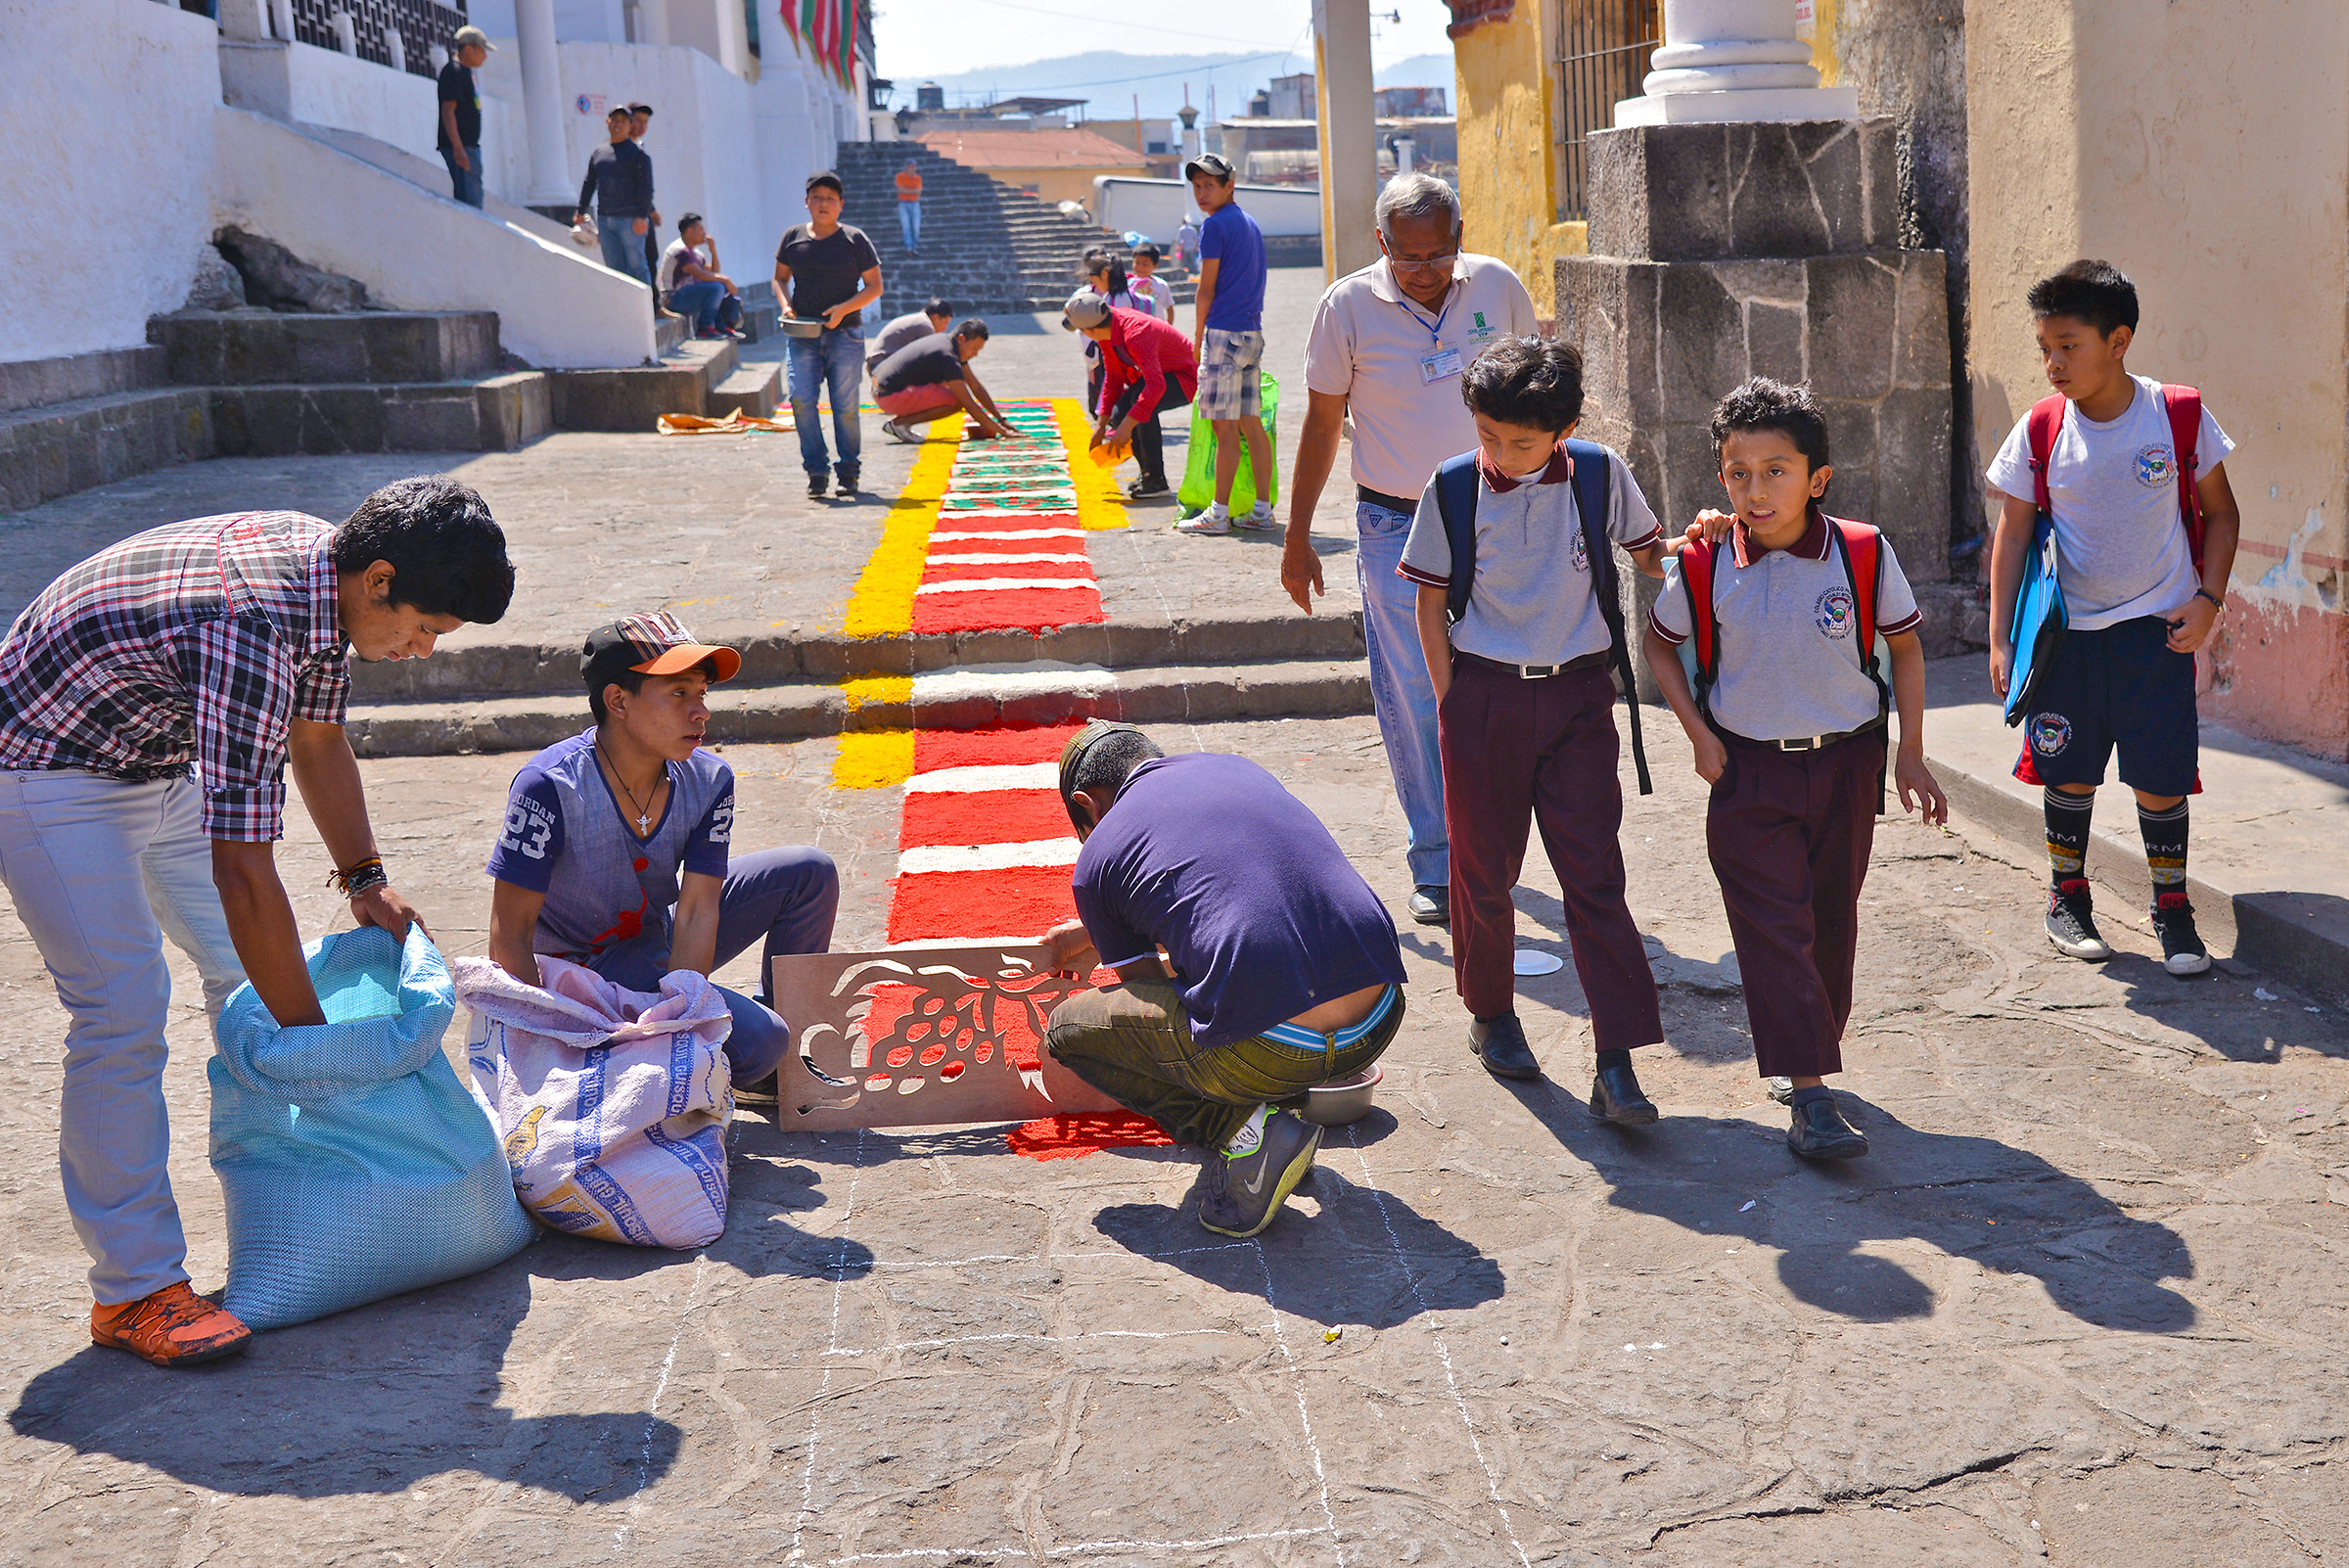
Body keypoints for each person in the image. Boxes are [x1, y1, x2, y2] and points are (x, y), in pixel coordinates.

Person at [0, 479, 516, 1367]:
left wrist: (366, 881)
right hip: (49, 766)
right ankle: (133, 1291)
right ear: (380, 579)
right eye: (425, 628)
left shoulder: (332, 574)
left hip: (154, 757)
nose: (423, 651)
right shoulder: (252, 624)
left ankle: (299, 1210)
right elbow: (243, 869)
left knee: (248, 984)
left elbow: (315, 739)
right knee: (121, 1013)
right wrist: (322, 1057)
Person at [1643, 379, 1949, 1160]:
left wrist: (1907, 751)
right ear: (1721, 479)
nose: (1756, 489)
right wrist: (1697, 737)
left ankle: (1804, 1050)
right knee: (1774, 928)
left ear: (1817, 480)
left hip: (1846, 765)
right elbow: (1656, 645)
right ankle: (1810, 1094)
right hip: (1746, 775)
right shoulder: (1707, 561)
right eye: (1738, 472)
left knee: (1829, 920)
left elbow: (1905, 649)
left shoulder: (1861, 550)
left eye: (1777, 470)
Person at [1400, 338, 1681, 1111]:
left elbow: (1649, 554)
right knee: (1484, 877)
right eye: (1488, 434)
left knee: (1595, 877)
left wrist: (1698, 547)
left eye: (1521, 441)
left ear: (1565, 429)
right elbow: (1428, 600)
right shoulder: (1454, 487)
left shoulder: (1597, 473)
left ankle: (1616, 1059)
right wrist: (1449, 695)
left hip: (1578, 702)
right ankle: (1492, 1017)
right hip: (1483, 699)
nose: (1502, 454)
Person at [1287, 172, 1540, 927]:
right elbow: (1323, 424)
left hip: (1500, 516)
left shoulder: (1496, 286)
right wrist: (1298, 539)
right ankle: (1437, 859)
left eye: (1438, 253)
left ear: (1459, 236)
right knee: (1418, 693)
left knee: (1504, 686)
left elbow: (1539, 398)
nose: (1425, 270)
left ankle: (1490, 846)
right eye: (1408, 256)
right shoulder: (1348, 307)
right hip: (1397, 527)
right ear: (1382, 246)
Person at [1039, 723, 1408, 1239]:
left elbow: (1149, 990)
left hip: (1274, 1050)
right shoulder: (1234, 767)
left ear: (1086, 803)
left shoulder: (1099, 855)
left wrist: (1109, 925)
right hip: (1377, 1020)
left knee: (1067, 1030)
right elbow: (1239, 887)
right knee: (1249, 981)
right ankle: (1276, 1108)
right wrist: (1099, 930)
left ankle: (1250, 1133)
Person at [1985, 260, 2240, 977]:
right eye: (2045, 347)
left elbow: (2222, 513)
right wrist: (2002, 637)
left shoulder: (2176, 415)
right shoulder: (2041, 429)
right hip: (2064, 645)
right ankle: (2068, 897)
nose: (2053, 363)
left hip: (2158, 635)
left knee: (2160, 778)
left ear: (2119, 340)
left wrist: (2209, 600)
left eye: (2069, 344)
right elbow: (2012, 536)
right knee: (2069, 773)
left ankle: (2173, 911)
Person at [485, 614, 840, 1102]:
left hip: (656, 934)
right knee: (761, 1042)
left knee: (808, 871)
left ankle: (783, 1067)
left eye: (702, 694)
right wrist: (543, 1039)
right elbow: (510, 934)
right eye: (678, 694)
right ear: (618, 701)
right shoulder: (549, 786)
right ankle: (755, 1060)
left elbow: (696, 909)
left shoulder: (709, 779)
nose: (700, 713)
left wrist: (687, 1013)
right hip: (583, 975)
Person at [1178, 154, 1274, 535]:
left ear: (1229, 185)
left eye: (1209, 185)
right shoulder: (1248, 222)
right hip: (1251, 334)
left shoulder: (1214, 225)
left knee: (1224, 429)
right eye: (1197, 186)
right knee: (1251, 427)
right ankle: (1261, 511)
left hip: (1223, 334)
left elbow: (1206, 289)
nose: (1202, 193)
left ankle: (1217, 513)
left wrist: (1198, 335)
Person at [774, 171, 884, 499]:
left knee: (846, 406)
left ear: (840, 205)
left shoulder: (854, 239)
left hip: (845, 334)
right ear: (807, 202)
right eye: (817, 198)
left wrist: (842, 309)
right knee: (801, 398)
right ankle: (817, 470)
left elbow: (875, 286)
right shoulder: (793, 237)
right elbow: (780, 278)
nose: (823, 204)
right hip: (803, 333)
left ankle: (848, 471)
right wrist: (786, 304)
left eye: (830, 199)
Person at [1066, 290, 1197, 500]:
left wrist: (1127, 426)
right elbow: (1114, 376)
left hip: (1185, 377)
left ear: (1089, 330)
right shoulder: (1109, 327)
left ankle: (1155, 480)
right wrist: (1102, 424)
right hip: (1157, 376)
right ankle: (1147, 473)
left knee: (1140, 407)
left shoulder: (1136, 333)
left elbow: (1155, 386)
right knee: (1120, 414)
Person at [873, 318, 1019, 443]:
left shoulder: (947, 343)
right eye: (974, 349)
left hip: (883, 390)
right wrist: (1002, 432)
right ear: (962, 339)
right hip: (889, 395)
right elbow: (968, 403)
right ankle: (899, 424)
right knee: (958, 400)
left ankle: (901, 422)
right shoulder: (947, 356)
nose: (975, 354)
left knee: (954, 389)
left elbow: (976, 387)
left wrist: (1001, 420)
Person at [575, 107, 655, 286]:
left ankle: (644, 311)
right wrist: (580, 211)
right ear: (607, 122)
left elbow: (646, 188)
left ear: (630, 125)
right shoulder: (599, 152)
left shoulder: (638, 154)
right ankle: (622, 311)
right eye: (615, 120)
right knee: (614, 269)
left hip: (630, 220)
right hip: (605, 220)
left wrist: (642, 216)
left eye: (623, 121)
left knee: (637, 267)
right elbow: (589, 183)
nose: (618, 125)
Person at [659, 213, 745, 339]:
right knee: (717, 287)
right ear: (690, 231)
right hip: (673, 299)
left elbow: (714, 273)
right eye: (701, 229)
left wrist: (713, 250)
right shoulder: (679, 250)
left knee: (721, 286)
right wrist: (726, 280)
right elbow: (700, 274)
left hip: (689, 295)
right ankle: (704, 328)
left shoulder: (696, 253)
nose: (704, 233)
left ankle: (722, 326)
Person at [1078, 248, 1143, 410]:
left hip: (1121, 350)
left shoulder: (1120, 297)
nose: (1095, 285)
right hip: (1111, 350)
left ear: (1105, 275)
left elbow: (1119, 328)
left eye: (1096, 280)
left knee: (1118, 388)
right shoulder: (1110, 296)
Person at [436, 25, 491, 209]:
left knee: (471, 199)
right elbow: (448, 111)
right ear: (469, 48)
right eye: (482, 50)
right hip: (462, 148)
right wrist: (458, 150)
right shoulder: (454, 72)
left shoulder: (466, 72)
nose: (485, 56)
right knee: (471, 203)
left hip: (469, 146)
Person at [866, 297, 953, 376]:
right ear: (936, 317)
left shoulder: (920, 319)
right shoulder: (925, 325)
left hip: (877, 361)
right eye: (945, 323)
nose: (945, 328)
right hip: (881, 363)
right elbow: (934, 356)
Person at [628, 103, 662, 289]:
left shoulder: (640, 146)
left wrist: (652, 209)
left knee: (651, 256)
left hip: (644, 211)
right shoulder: (624, 148)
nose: (641, 126)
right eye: (637, 121)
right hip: (631, 215)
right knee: (638, 261)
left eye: (645, 122)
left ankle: (654, 304)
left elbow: (644, 186)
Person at [1128, 242, 1175, 323]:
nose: (1140, 267)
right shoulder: (1128, 284)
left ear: (1155, 265)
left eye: (1145, 264)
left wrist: (1167, 330)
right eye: (1137, 263)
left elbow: (1169, 309)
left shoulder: (1161, 285)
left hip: (1156, 329)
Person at [895, 158, 924, 253]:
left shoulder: (918, 178)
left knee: (916, 228)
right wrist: (912, 191)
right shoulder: (900, 176)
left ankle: (914, 247)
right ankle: (909, 247)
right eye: (911, 167)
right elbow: (900, 190)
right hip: (903, 203)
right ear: (906, 168)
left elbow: (918, 192)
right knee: (906, 227)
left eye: (914, 167)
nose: (913, 169)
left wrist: (906, 190)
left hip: (914, 204)